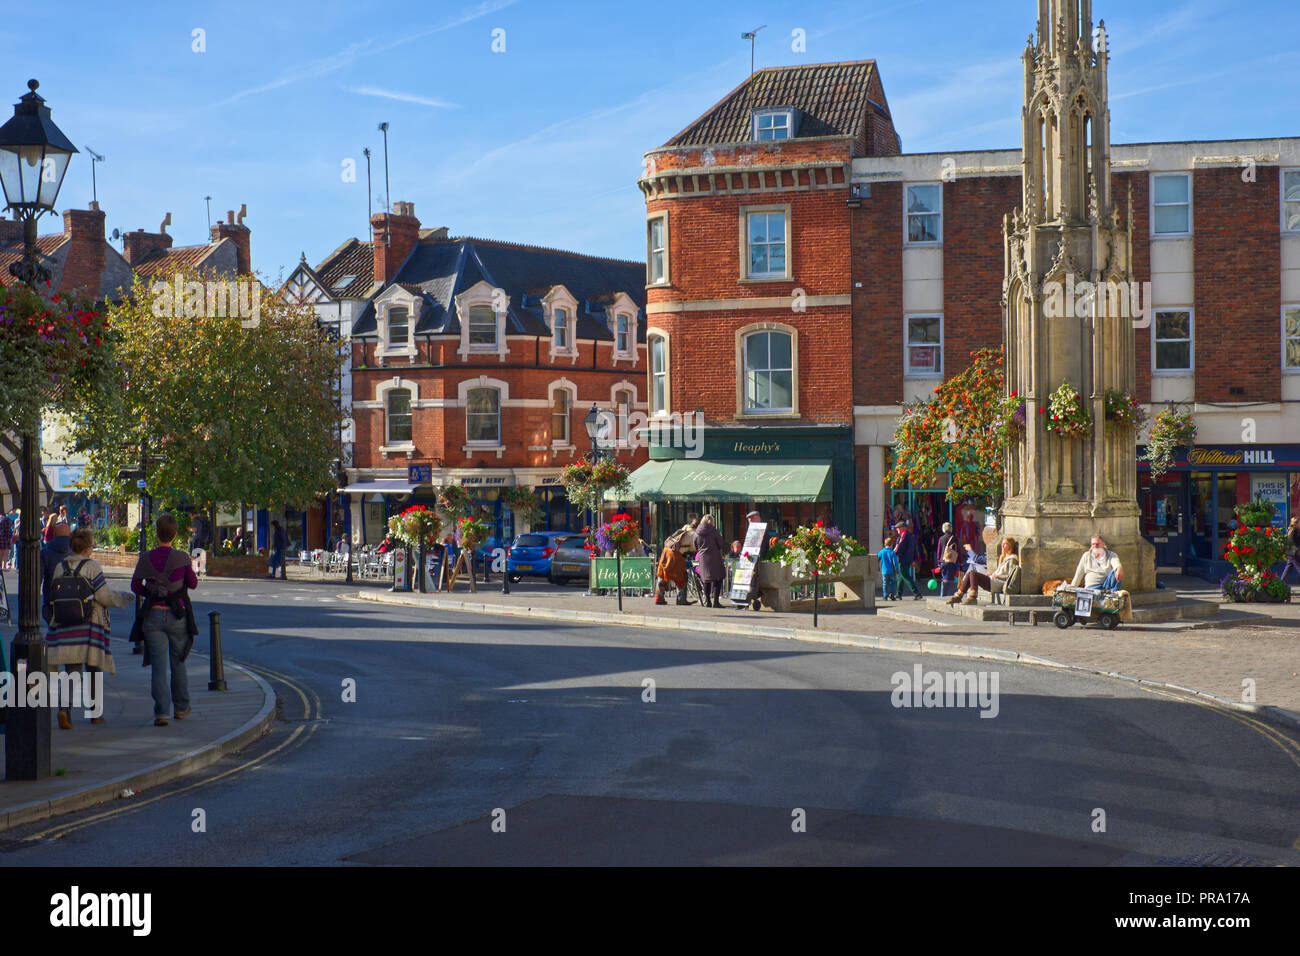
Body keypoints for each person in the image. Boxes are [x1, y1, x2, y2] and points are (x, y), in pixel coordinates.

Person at [46, 528, 134, 729]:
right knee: (93, 669)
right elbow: (103, 595)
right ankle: (95, 713)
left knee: (72, 670)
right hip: (89, 625)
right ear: (87, 548)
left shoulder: (60, 567)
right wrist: (122, 598)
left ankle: (64, 709)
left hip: (65, 626)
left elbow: (53, 594)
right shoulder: (92, 567)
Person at [131, 513, 199, 726]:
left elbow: (134, 586)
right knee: (178, 662)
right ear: (175, 534)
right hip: (176, 614)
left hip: (152, 616)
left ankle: (161, 713)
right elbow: (193, 583)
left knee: (158, 667)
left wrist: (151, 592)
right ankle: (181, 707)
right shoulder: (181, 558)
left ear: (156, 533)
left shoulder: (146, 558)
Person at [949, 537, 1020, 605]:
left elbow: (1010, 576)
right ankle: (958, 596)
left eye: (1005, 544)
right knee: (970, 573)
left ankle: (972, 597)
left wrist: (996, 575)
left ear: (1010, 546)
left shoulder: (1012, 559)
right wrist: (992, 574)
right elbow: (999, 571)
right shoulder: (1003, 557)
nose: (1002, 545)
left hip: (1000, 583)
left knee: (973, 574)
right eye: (1002, 544)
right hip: (994, 580)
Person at [654, 524, 695, 605]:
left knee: (663, 575)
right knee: (682, 577)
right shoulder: (693, 534)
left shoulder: (679, 532)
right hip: (675, 556)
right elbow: (694, 548)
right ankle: (681, 599)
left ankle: (659, 598)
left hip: (665, 552)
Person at [693, 515, 727, 608]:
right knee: (718, 579)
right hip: (715, 558)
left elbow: (695, 546)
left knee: (706, 580)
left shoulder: (697, 532)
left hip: (703, 559)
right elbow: (720, 544)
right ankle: (716, 602)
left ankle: (708, 601)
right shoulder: (714, 531)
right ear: (711, 522)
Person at [893, 521, 923, 600]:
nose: (897, 530)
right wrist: (914, 559)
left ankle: (917, 593)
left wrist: (892, 554)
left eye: (898, 528)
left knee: (905, 575)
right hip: (908, 559)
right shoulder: (911, 536)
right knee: (900, 576)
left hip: (903, 559)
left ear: (903, 528)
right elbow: (914, 549)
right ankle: (898, 593)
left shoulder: (903, 536)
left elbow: (898, 547)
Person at [877, 534, 900, 601]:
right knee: (893, 583)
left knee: (885, 583)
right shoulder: (892, 552)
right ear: (892, 545)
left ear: (884, 544)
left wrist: (877, 568)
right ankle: (892, 594)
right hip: (892, 571)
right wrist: (897, 571)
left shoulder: (881, 552)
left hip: (884, 571)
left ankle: (885, 595)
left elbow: (877, 559)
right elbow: (895, 563)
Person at [1279, 516, 1300, 585]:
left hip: (1291, 553)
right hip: (1293, 553)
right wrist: (1296, 549)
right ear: (1296, 523)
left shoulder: (1295, 529)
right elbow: (1290, 541)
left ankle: (1281, 582)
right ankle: (1281, 582)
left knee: (1288, 568)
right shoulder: (1293, 530)